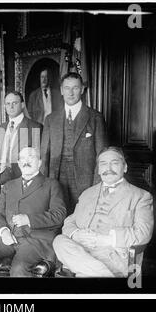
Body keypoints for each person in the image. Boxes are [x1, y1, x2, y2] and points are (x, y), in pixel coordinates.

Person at [53, 147, 154, 277]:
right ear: (99, 170)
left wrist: (105, 240)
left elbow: (143, 234)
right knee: (59, 241)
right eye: (103, 164)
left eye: (114, 163)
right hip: (80, 250)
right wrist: (76, 234)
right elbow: (70, 221)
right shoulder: (87, 193)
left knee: (84, 275)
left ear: (125, 168)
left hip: (112, 254)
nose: (108, 168)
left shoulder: (141, 196)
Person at [0, 147, 66, 277]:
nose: (26, 161)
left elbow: (59, 215)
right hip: (7, 237)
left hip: (35, 241)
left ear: (39, 162)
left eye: (31, 157)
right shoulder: (9, 186)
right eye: (22, 158)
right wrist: (4, 231)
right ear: (19, 163)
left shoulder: (51, 184)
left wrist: (29, 219)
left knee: (19, 269)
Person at [41, 72, 108, 214]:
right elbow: (44, 156)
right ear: (61, 90)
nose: (70, 93)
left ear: (82, 89)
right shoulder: (50, 119)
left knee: (81, 218)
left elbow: (102, 157)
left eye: (75, 88)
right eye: (67, 88)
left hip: (85, 181)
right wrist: (43, 184)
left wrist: (96, 186)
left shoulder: (95, 117)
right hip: (56, 179)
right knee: (57, 218)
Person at [0, 91, 42, 188]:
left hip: (22, 180)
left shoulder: (34, 127)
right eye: (8, 104)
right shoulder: (1, 128)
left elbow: (38, 158)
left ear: (22, 105)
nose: (11, 107)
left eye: (14, 103)